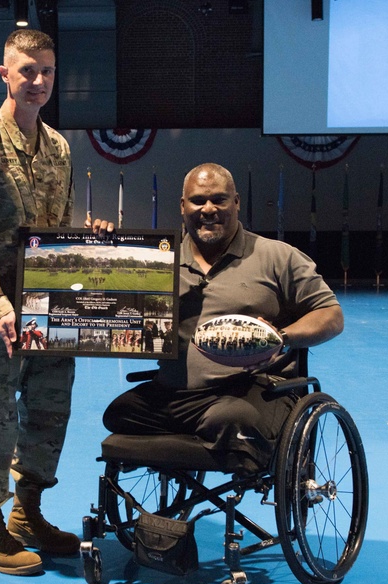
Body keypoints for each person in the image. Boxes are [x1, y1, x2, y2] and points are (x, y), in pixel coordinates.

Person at [0, 29, 112, 576]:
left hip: (48, 310)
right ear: (5, 73)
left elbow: (51, 237)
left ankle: (27, 514)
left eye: (47, 72)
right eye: (27, 71)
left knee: (46, 415)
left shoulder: (59, 148)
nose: (38, 82)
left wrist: (93, 241)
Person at [102, 164, 344, 474]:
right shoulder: (159, 260)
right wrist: (103, 249)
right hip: (174, 393)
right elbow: (107, 302)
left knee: (230, 420)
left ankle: (230, 441)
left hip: (251, 391)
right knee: (118, 414)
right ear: (182, 206)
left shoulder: (277, 257)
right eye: (198, 200)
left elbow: (331, 315)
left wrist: (281, 336)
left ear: (236, 203)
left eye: (219, 199)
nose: (208, 209)